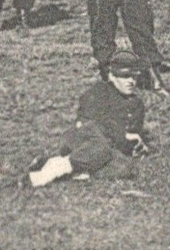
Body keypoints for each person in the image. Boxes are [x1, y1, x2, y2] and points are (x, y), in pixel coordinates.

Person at [24, 51, 154, 187]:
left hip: (107, 150)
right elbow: (89, 125)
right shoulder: (98, 93)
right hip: (83, 140)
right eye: (125, 76)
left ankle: (62, 165)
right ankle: (47, 173)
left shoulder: (137, 104)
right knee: (101, 147)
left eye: (134, 77)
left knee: (125, 168)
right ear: (112, 76)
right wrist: (124, 136)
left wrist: (137, 144)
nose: (131, 81)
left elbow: (131, 136)